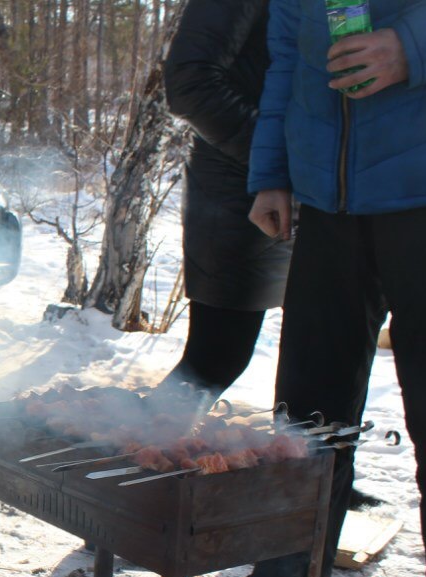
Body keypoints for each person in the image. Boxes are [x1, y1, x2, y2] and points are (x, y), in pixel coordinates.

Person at [232, 0, 426, 577]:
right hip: (329, 206)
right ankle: (290, 568)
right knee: (307, 408)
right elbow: (286, 65)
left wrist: (414, 47)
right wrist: (272, 170)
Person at [158, 0, 291, 404]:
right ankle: (116, 456)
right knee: (215, 360)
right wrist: (274, 159)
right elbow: (189, 82)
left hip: (316, 189)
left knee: (320, 374)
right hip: (240, 188)